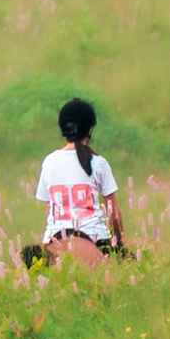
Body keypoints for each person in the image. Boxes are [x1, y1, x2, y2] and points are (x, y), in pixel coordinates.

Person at [34, 97, 125, 255]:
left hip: (54, 240)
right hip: (96, 240)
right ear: (90, 129)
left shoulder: (49, 162)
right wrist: (119, 242)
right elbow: (114, 214)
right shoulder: (99, 163)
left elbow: (50, 210)